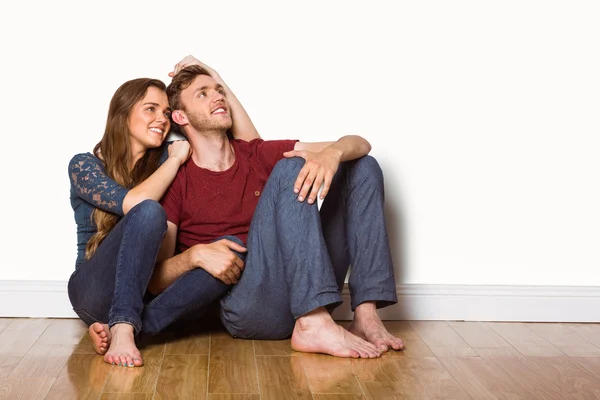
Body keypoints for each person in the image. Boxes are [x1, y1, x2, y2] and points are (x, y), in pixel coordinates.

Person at [149, 57, 405, 358]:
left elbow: (360, 144)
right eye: (203, 94)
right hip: (249, 305)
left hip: (304, 286)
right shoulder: (178, 178)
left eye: (219, 90)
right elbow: (155, 279)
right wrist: (193, 257)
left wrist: (333, 153)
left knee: (363, 167)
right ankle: (313, 323)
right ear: (180, 117)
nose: (218, 96)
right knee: (290, 167)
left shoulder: (255, 154)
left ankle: (365, 316)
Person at [67, 64, 260, 367]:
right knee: (149, 212)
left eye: (167, 112)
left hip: (145, 294)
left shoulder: (165, 156)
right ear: (123, 114)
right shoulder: (85, 166)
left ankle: (126, 331)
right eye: (150, 109)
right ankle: (121, 326)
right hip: (93, 289)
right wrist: (176, 160)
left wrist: (215, 76)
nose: (161, 118)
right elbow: (137, 204)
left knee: (229, 251)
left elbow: (250, 147)